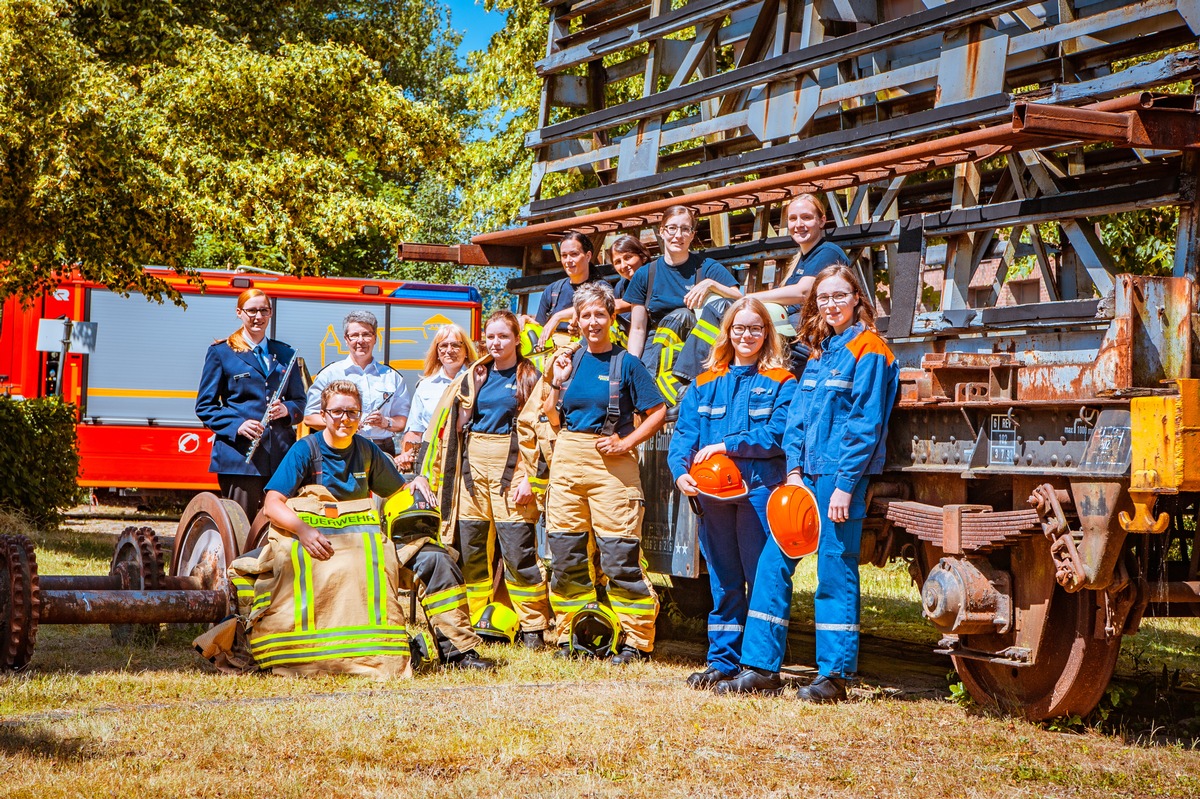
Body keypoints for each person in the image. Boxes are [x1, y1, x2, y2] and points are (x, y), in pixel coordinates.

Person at [264, 380, 495, 671]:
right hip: (319, 544)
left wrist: (416, 482)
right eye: (337, 412)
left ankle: (459, 653)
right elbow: (272, 504)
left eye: (352, 412)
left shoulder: (367, 450)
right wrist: (304, 530)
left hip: (365, 543)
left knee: (436, 559)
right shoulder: (304, 451)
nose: (345, 419)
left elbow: (397, 492)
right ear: (323, 415)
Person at [781, 264, 899, 702]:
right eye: (823, 298)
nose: (831, 304)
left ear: (856, 299)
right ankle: (758, 664)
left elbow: (864, 424)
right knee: (775, 560)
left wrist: (845, 485)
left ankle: (834, 676)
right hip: (805, 472)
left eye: (838, 296)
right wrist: (793, 468)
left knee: (834, 567)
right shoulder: (819, 352)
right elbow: (797, 416)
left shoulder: (870, 349)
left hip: (837, 475)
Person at [668, 298, 796, 692]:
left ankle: (759, 664)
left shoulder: (780, 381)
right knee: (723, 579)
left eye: (756, 328)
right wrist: (679, 473)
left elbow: (777, 435)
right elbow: (684, 435)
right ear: (727, 333)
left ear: (767, 334)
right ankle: (722, 661)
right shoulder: (704, 383)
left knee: (761, 579)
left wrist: (727, 445)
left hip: (759, 490)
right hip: (713, 495)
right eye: (739, 328)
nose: (747, 335)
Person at [543, 282, 668, 664]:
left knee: (619, 557)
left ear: (612, 318)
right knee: (566, 554)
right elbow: (551, 416)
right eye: (586, 315)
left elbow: (658, 412)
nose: (593, 322)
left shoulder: (627, 363)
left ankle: (637, 641)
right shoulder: (568, 360)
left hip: (611, 466)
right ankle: (572, 634)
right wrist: (555, 382)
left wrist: (626, 444)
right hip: (567, 460)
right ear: (576, 321)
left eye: (600, 314)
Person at [410, 312, 551, 649]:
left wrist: (531, 480)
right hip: (472, 473)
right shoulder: (476, 375)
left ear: (517, 339)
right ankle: (474, 619)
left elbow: (543, 432)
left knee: (518, 552)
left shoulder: (531, 376)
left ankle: (532, 627)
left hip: (512, 469)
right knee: (472, 552)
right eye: (490, 336)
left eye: (503, 336)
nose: (495, 343)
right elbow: (448, 427)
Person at [195, 288, 306, 524]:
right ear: (239, 313)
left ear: (271, 313)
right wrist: (238, 425)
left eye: (263, 310)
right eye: (252, 310)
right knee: (241, 526)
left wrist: (287, 410)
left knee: (279, 526)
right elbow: (205, 406)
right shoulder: (221, 352)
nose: (258, 317)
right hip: (240, 459)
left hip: (280, 457)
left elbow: (300, 402)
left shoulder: (286, 353)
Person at [624, 205, 742, 359]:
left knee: (684, 315)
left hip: (697, 348)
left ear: (692, 235)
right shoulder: (645, 274)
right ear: (662, 232)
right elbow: (638, 329)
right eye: (672, 228)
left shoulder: (707, 268)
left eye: (685, 229)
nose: (678, 235)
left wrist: (711, 284)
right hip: (657, 347)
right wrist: (632, 364)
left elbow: (740, 299)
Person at [304, 311, 410, 457]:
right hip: (340, 448)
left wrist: (385, 422)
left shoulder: (392, 377)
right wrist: (344, 423)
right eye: (354, 335)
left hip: (382, 450)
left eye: (366, 334)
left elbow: (403, 421)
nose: (360, 341)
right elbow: (310, 417)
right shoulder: (329, 374)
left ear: (375, 338)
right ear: (346, 340)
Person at [397, 324, 478, 471]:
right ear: (437, 352)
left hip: (469, 460)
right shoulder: (425, 386)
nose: (449, 350)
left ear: (466, 350)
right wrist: (406, 454)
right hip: (434, 462)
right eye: (443, 345)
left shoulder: (478, 380)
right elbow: (415, 430)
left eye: (455, 345)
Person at [531, 231, 603, 347]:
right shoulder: (552, 291)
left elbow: (607, 306)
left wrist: (558, 317)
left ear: (588, 256)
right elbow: (540, 328)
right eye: (564, 256)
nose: (568, 260)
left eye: (574, 254)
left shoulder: (601, 288)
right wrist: (523, 320)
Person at [608, 234, 651, 345]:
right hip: (631, 336)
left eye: (628, 257)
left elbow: (617, 306)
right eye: (617, 262)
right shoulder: (622, 285)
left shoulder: (653, 276)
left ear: (643, 257)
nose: (623, 265)